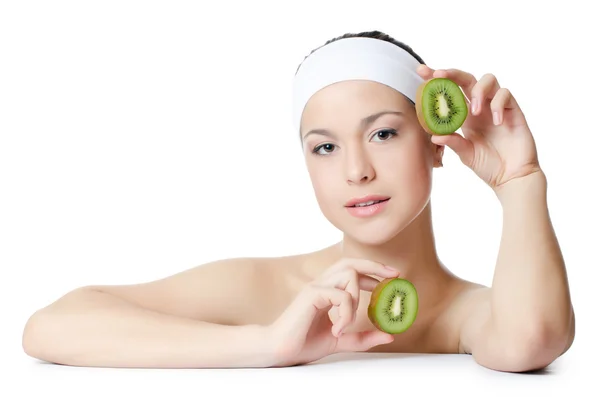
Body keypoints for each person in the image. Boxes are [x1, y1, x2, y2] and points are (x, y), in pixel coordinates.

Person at [21, 30, 575, 372]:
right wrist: (266, 344)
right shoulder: (266, 292)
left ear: (436, 143)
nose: (356, 171)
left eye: (383, 133)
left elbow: (532, 342)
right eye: (325, 147)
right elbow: (51, 326)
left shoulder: (464, 315)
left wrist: (520, 180)